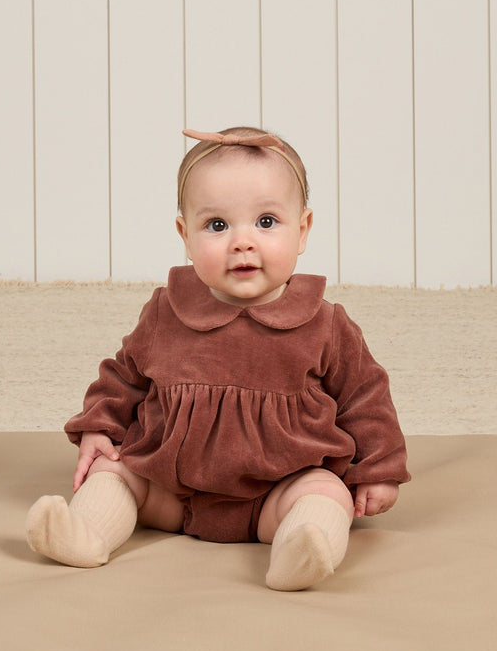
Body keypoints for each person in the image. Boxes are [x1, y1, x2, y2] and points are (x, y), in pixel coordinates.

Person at [26, 127, 410, 591]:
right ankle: (86, 534)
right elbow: (123, 376)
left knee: (326, 493)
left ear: (303, 230)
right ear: (185, 236)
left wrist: (378, 470)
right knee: (117, 470)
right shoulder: (167, 310)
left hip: (277, 491)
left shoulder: (324, 323)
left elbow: (365, 397)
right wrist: (99, 428)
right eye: (217, 225)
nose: (242, 242)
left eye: (266, 222)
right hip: (170, 487)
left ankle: (302, 549)